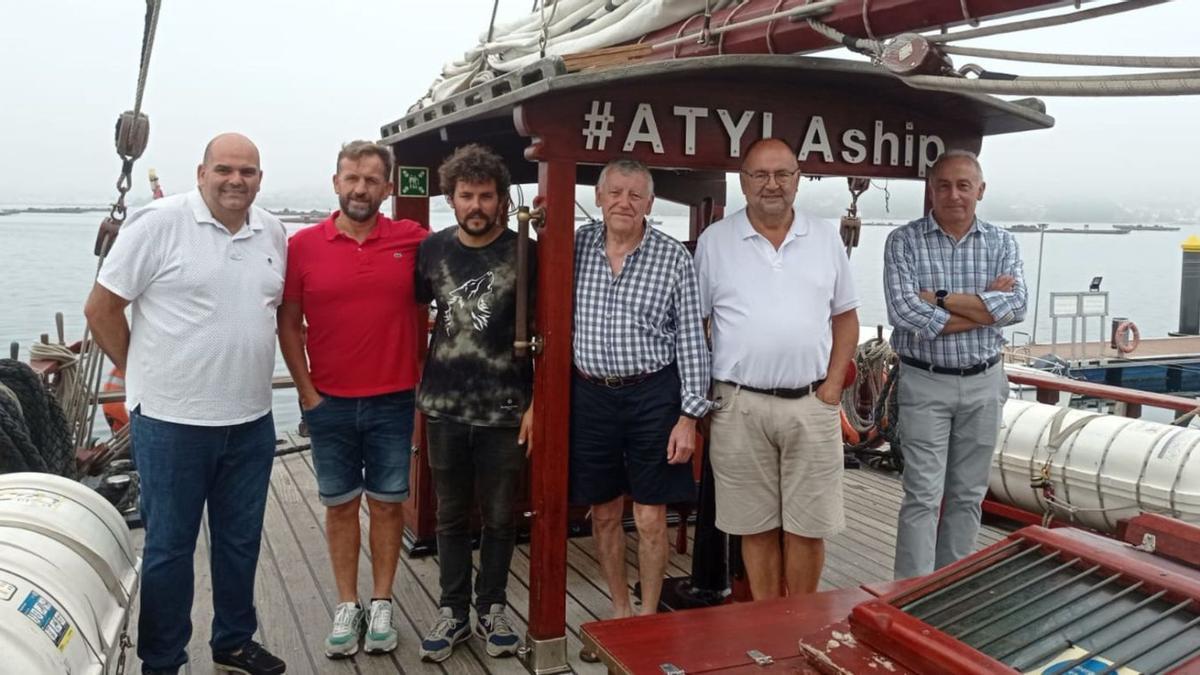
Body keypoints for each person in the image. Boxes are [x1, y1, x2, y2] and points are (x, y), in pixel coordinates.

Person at [84, 133, 287, 675]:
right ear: (202, 173)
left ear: (260, 179)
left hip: (250, 421)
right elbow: (102, 309)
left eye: (247, 171)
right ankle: (163, 660)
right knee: (171, 549)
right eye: (224, 169)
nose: (235, 180)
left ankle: (234, 641)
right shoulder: (157, 224)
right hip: (172, 423)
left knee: (240, 541)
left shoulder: (272, 230)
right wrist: (139, 371)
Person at [277, 140, 428, 658]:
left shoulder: (414, 240)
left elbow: (470, 261)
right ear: (335, 182)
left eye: (370, 180)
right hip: (329, 402)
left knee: (388, 504)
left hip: (393, 399)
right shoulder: (303, 246)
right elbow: (288, 323)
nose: (360, 188)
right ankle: (348, 603)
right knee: (340, 505)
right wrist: (306, 392)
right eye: (351, 178)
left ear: (387, 188)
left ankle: (381, 601)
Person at [695, 138, 860, 600]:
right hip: (738, 405)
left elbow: (846, 318)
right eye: (761, 175)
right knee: (756, 526)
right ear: (743, 182)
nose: (772, 184)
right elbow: (696, 327)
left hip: (811, 404)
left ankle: (800, 624)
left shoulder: (825, 237)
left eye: (782, 174)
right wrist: (705, 400)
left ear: (797, 180)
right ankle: (768, 626)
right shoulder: (715, 242)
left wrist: (831, 389)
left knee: (809, 527)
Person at [571, 158, 711, 638]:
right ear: (599, 197)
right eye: (615, 193)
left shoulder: (673, 258)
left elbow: (692, 339)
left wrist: (689, 416)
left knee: (650, 513)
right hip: (589, 394)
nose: (623, 203)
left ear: (650, 203)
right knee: (604, 509)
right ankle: (619, 612)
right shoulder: (574, 248)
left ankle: (647, 619)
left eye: (635, 195)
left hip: (653, 393)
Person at [413, 143, 535, 662]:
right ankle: (453, 609)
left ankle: (493, 608)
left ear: (502, 200)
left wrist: (538, 403)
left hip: (507, 408)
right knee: (450, 515)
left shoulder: (527, 251)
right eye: (467, 195)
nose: (477, 205)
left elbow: (549, 332)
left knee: (502, 517)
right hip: (443, 404)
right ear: (452, 198)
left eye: (486, 195)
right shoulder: (432, 250)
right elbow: (416, 307)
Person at [883, 149, 1027, 579]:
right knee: (923, 495)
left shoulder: (1003, 242)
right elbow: (905, 314)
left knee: (967, 494)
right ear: (931, 190)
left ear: (980, 191)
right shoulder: (904, 241)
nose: (954, 194)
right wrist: (984, 307)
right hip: (925, 382)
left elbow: (1016, 306)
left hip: (985, 382)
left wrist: (940, 299)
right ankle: (909, 594)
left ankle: (951, 587)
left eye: (964, 185)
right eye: (944, 185)